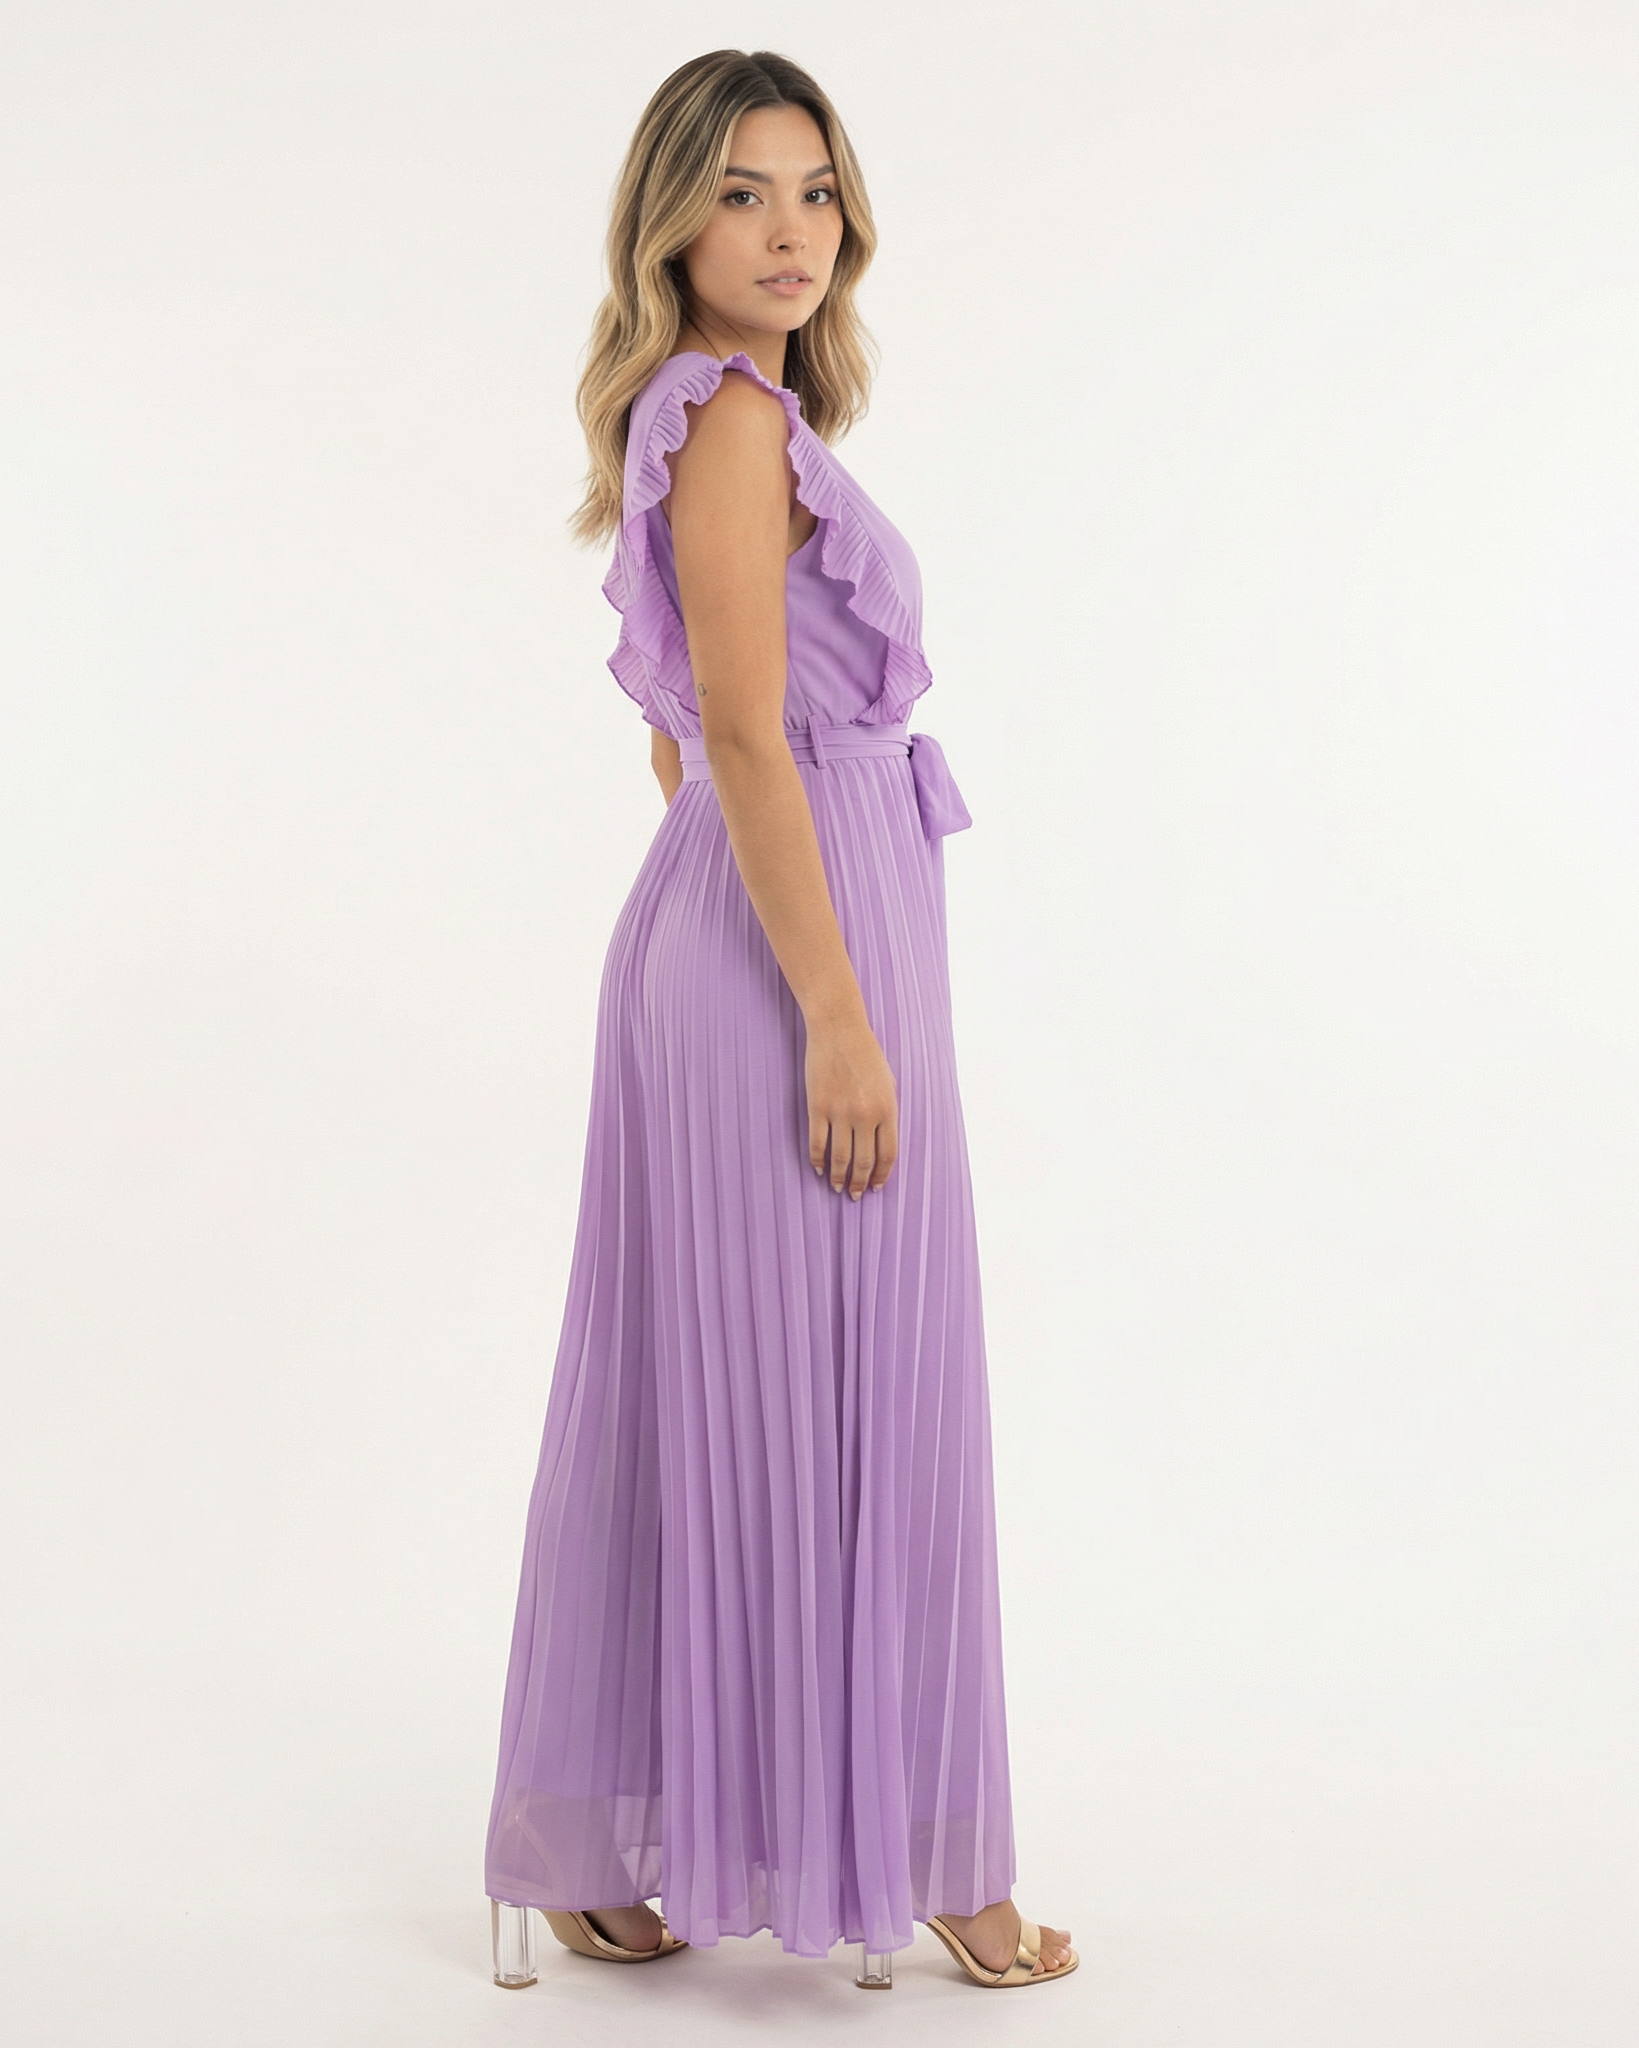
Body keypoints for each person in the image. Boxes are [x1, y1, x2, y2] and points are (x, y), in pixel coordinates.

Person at [482, 48, 1075, 1992]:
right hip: (791, 961)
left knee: (738, 1388)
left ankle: (633, 1839)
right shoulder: (726, 418)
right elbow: (733, 730)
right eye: (741, 192)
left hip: (775, 926)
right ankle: (910, 1858)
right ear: (672, 221)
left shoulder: (722, 417)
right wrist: (828, 1001)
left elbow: (692, 742)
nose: (788, 229)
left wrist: (794, 936)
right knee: (845, 1397)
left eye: (814, 191)